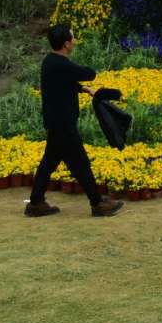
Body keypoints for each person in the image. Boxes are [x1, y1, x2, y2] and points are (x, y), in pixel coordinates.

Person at [25, 22, 122, 218]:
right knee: (81, 163)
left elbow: (61, 82)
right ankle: (97, 203)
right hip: (63, 125)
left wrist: (81, 89)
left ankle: (36, 202)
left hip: (56, 123)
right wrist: (86, 82)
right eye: (72, 38)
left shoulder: (50, 62)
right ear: (66, 44)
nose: (74, 41)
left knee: (49, 163)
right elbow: (89, 73)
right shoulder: (61, 64)